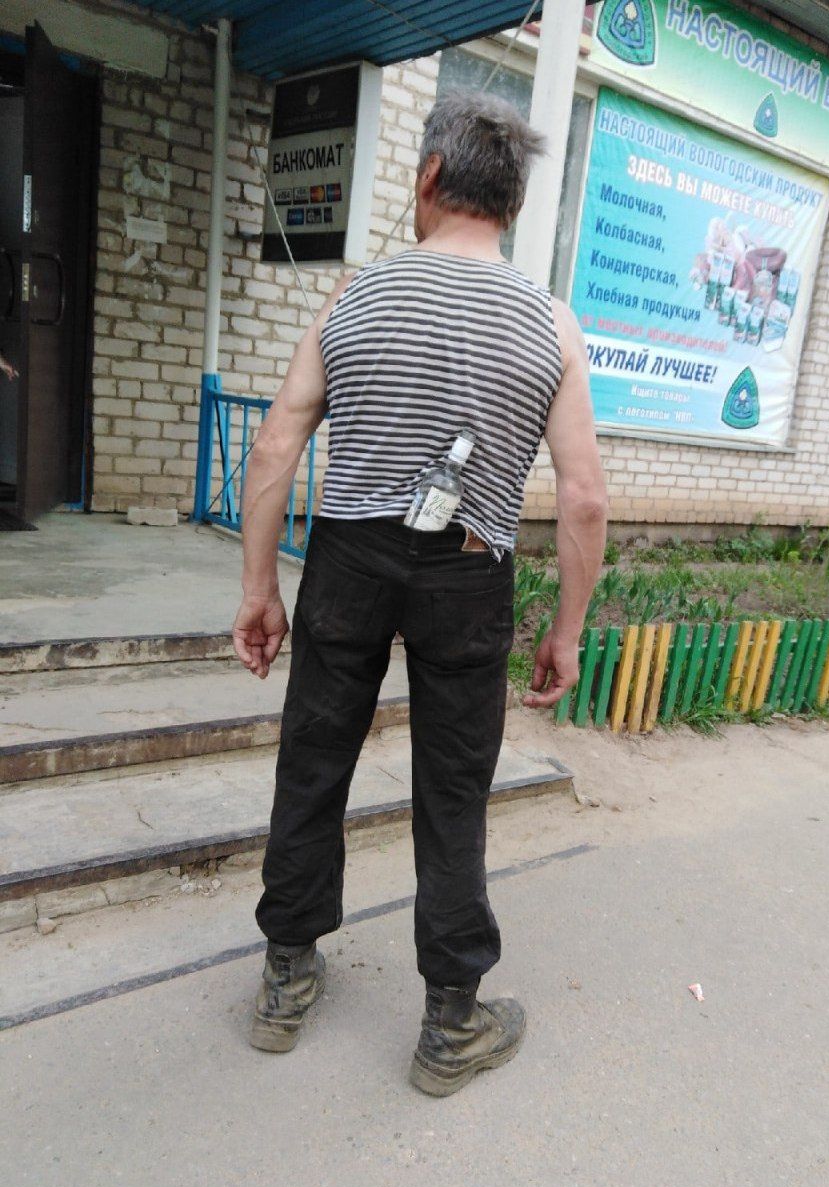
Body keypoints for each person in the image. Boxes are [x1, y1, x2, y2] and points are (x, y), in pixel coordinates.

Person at [233, 91, 607, 1095]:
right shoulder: (551, 323)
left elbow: (274, 445)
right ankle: (451, 1023)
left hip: (348, 561)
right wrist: (567, 630)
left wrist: (259, 588)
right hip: (469, 573)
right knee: (452, 792)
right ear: (511, 202)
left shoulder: (356, 297)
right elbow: (583, 497)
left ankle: (285, 980)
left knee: (313, 765)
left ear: (431, 177)